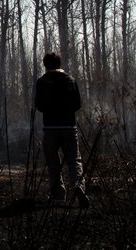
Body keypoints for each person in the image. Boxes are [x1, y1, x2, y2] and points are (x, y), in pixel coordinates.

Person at [34, 51, 90, 207]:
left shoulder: (42, 82)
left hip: (50, 127)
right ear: (60, 64)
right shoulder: (70, 80)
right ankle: (79, 186)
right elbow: (78, 104)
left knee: (53, 162)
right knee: (74, 160)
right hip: (69, 126)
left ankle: (59, 195)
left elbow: (39, 106)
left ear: (45, 65)